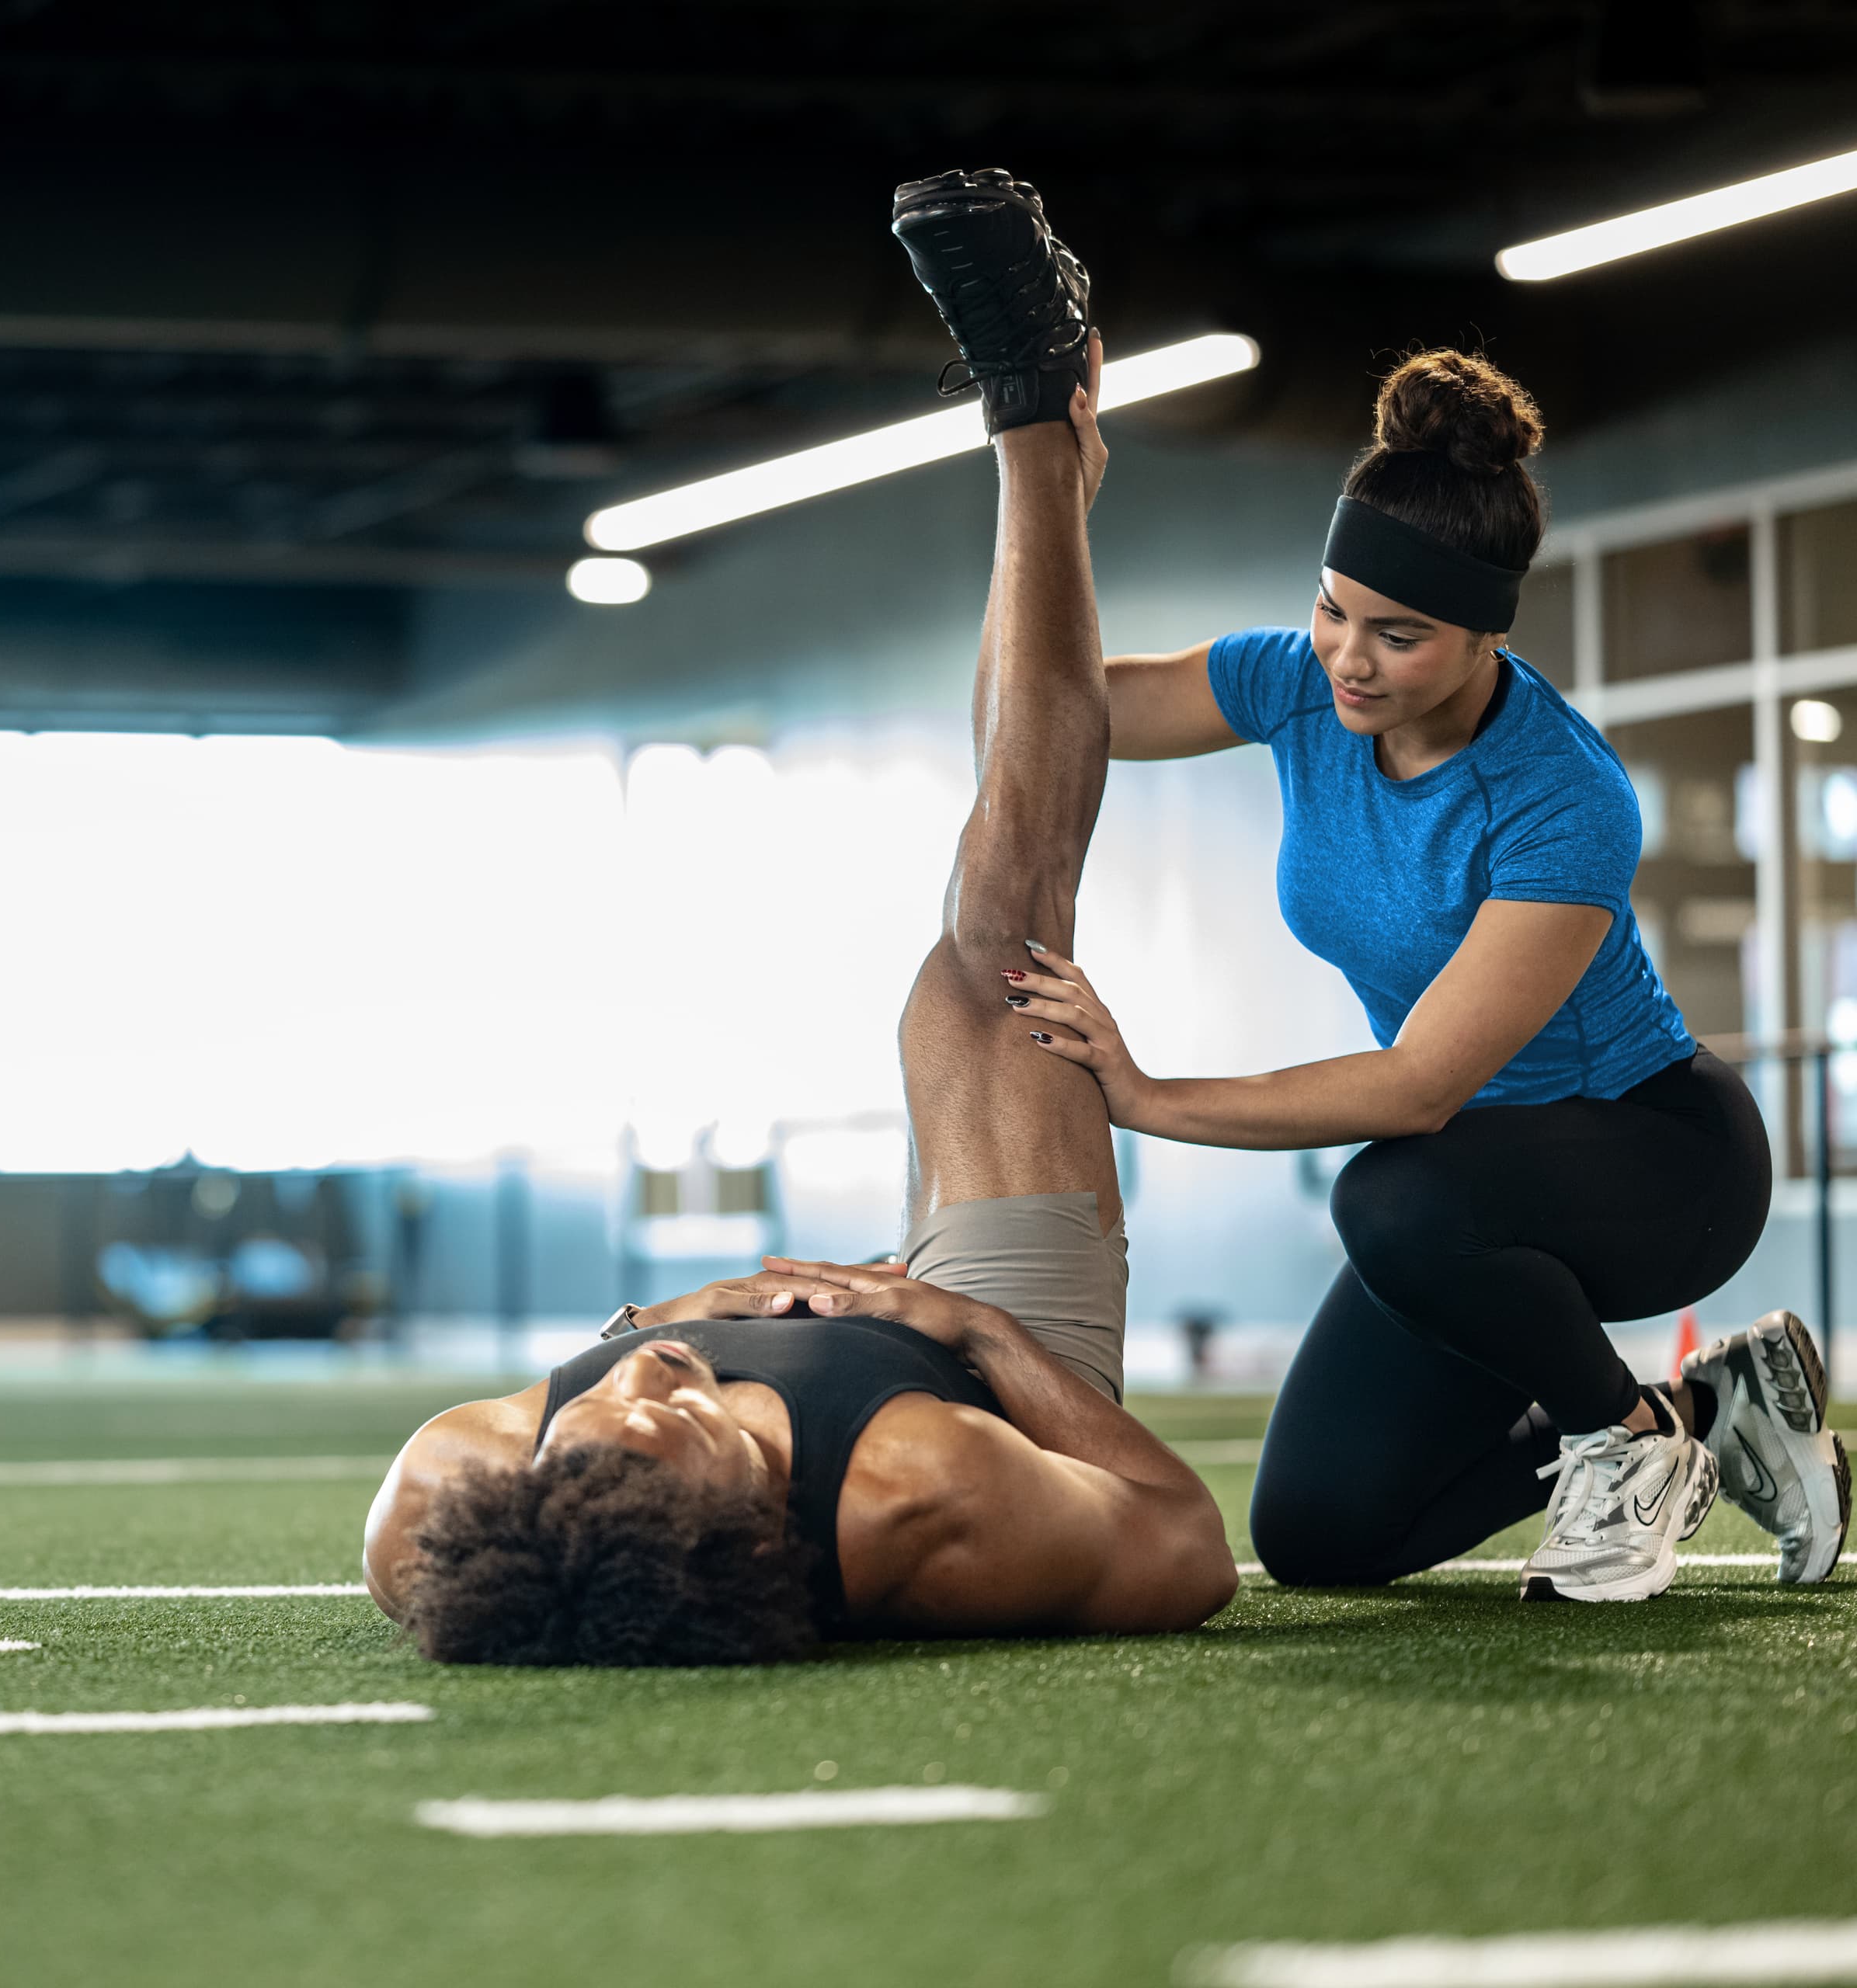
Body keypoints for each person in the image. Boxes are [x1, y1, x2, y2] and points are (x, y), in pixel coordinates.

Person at [363, 169, 1237, 1665]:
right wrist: (971, 1338)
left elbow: (604, 1407)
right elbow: (1185, 1540)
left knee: (978, 919)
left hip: (859, 1310)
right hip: (974, 1350)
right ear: (746, 1521)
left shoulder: (465, 1493)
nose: (639, 1381)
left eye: (597, 1419)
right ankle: (1037, 423)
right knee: (999, 938)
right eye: (667, 1424)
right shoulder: (918, 1498)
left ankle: (1052, 472)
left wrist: (694, 1330)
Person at [1009, 348, 1845, 1601]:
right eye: (1333, 608)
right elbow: (1045, 713)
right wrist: (1045, 513)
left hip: (1657, 1163)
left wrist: (1146, 1094)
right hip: (1471, 1199)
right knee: (1322, 1535)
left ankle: (1624, 1443)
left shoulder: (1565, 797)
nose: (1349, 657)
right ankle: (1700, 1409)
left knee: (1390, 1195)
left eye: (1399, 637)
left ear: (1485, 634)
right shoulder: (1294, 686)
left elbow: (1416, 1092)